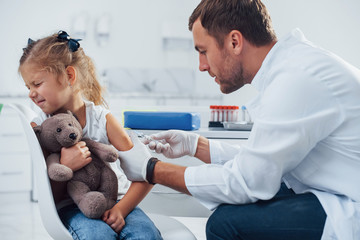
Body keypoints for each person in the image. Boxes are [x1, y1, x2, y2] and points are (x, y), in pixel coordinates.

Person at [117, 0, 360, 239]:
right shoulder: (293, 67)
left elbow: (247, 181)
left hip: (351, 208)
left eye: (203, 51)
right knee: (232, 210)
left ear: (234, 42)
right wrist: (197, 146)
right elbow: (261, 163)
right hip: (336, 192)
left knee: (225, 224)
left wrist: (150, 169)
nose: (201, 66)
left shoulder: (296, 80)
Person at [19, 31, 162, 240]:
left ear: (69, 76)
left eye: (37, 84)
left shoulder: (103, 120)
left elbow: (146, 173)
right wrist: (67, 167)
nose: (31, 93)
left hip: (118, 202)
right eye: (28, 87)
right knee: (97, 236)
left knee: (145, 236)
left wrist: (121, 210)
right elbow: (50, 196)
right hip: (72, 208)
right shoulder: (40, 128)